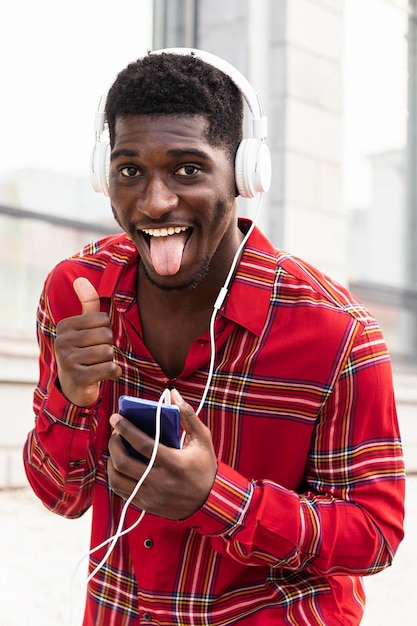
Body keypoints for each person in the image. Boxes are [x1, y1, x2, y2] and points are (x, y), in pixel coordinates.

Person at [23, 48, 405, 626]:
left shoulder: (338, 335)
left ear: (244, 174)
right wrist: (70, 399)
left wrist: (219, 500)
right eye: (130, 170)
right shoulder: (78, 295)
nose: (155, 202)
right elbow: (61, 496)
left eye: (188, 169)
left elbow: (374, 537)